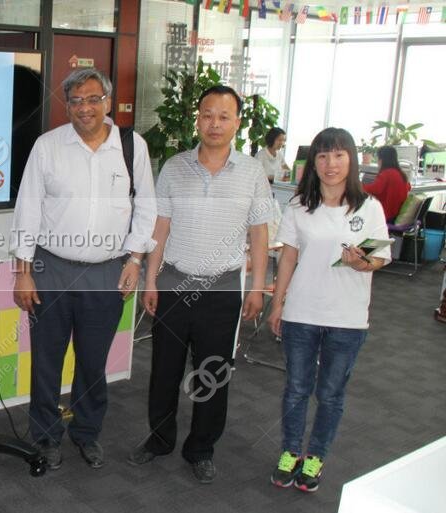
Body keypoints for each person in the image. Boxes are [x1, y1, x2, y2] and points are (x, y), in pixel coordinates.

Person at [10, 67, 157, 470]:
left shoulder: (132, 146)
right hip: (51, 269)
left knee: (93, 361)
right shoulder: (48, 146)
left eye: (93, 99)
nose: (84, 108)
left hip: (108, 272)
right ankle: (45, 436)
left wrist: (135, 259)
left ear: (107, 102)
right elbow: (28, 211)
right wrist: (23, 271)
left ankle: (87, 433)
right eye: (75, 101)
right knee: (47, 360)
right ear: (67, 105)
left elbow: (146, 205)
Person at [128, 85, 274, 483]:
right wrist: (150, 280)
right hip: (174, 282)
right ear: (198, 118)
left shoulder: (252, 172)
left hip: (223, 289)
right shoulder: (175, 167)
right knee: (164, 371)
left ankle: (201, 448)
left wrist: (257, 288)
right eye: (207, 114)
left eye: (224, 116)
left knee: (212, 373)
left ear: (237, 123)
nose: (214, 123)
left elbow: (260, 235)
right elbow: (161, 226)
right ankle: (159, 440)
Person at [267, 127, 390, 493]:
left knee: (332, 394)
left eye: (338, 155)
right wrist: (278, 303)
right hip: (302, 313)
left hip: (347, 318)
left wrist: (361, 263)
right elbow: (288, 256)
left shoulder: (369, 207)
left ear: (350, 160)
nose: (330, 164)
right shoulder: (299, 206)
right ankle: (290, 452)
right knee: (296, 389)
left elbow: (379, 256)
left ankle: (316, 457)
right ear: (313, 162)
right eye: (322, 156)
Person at [363, 145, 411, 222]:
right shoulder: (401, 173)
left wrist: (358, 185)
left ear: (382, 160)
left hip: (386, 215)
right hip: (397, 214)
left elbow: (375, 189)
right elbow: (408, 187)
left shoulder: (386, 173)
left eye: (378, 158)